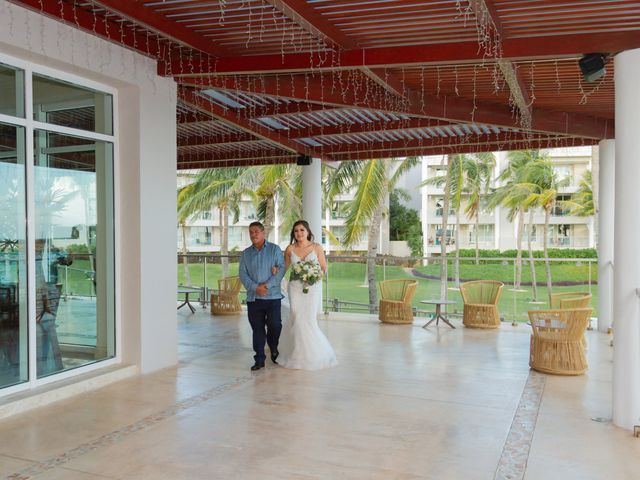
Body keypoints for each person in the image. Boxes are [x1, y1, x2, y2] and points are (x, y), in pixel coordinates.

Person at [278, 220, 337, 370]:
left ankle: (312, 356)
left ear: (308, 232)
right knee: (296, 317)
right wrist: (274, 277)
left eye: (302, 230)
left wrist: (314, 276)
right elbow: (284, 268)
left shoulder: (316, 247)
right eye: (296, 230)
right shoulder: (290, 249)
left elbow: (323, 268)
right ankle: (295, 354)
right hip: (296, 288)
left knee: (309, 320)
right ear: (294, 233)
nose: (299, 233)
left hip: (312, 288)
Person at [239, 222, 285, 371]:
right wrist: (255, 288)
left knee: (275, 325)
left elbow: (281, 270)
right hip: (254, 299)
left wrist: (266, 286)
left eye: (256, 231)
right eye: (251, 232)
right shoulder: (246, 254)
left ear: (263, 232)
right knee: (257, 329)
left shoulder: (274, 249)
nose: (253, 234)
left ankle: (273, 346)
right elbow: (243, 274)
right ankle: (259, 359)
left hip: (273, 297)